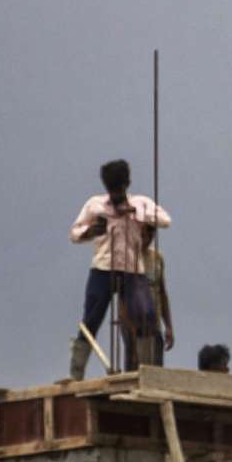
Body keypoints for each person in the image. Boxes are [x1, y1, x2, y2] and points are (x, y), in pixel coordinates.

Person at [68, 159, 171, 379]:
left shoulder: (141, 203)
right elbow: (75, 233)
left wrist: (137, 213)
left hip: (133, 269)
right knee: (92, 318)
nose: (115, 196)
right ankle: (76, 373)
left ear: (127, 184)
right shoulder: (96, 205)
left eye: (119, 190)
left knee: (145, 315)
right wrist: (92, 231)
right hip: (103, 268)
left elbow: (165, 220)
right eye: (111, 191)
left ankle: (146, 370)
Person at [134, 224, 174, 367]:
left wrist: (168, 326)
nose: (147, 239)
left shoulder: (157, 258)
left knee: (155, 368)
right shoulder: (129, 258)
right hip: (134, 325)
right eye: (144, 235)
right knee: (136, 368)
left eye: (151, 236)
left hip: (154, 323)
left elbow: (162, 293)